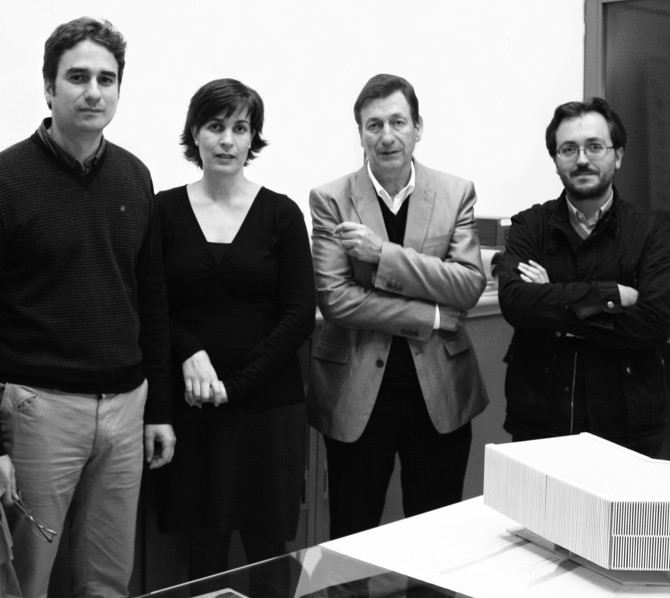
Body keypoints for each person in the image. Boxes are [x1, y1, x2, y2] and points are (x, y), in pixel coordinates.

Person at [0, 17, 175, 598]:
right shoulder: (7, 179)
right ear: (48, 87)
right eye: (77, 77)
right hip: (38, 411)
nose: (93, 92)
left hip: (126, 408)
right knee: (23, 582)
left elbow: (151, 300)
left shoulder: (134, 176)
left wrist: (158, 408)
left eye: (107, 79)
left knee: (106, 582)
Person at [308, 73, 489, 540]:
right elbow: (337, 299)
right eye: (374, 125)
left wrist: (381, 254)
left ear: (418, 128)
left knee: (436, 538)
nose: (386, 136)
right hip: (356, 394)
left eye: (397, 122)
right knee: (352, 537)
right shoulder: (330, 199)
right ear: (360, 134)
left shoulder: (455, 192)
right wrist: (431, 315)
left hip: (440, 392)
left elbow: (468, 285)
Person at [154, 78, 315, 583]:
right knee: (202, 556)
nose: (227, 140)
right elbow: (150, 305)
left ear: (252, 139)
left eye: (240, 128)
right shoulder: (162, 211)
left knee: (270, 553)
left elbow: (298, 313)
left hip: (269, 409)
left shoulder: (282, 213)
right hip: (192, 408)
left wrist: (236, 387)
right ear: (194, 134)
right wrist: (189, 350)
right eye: (215, 126)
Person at [498, 97, 670, 457]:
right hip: (541, 425)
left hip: (630, 428)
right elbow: (516, 303)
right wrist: (611, 296)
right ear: (555, 160)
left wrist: (553, 302)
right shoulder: (530, 226)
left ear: (617, 156)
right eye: (568, 149)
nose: (581, 159)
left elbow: (655, 320)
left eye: (594, 147)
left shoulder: (653, 231)